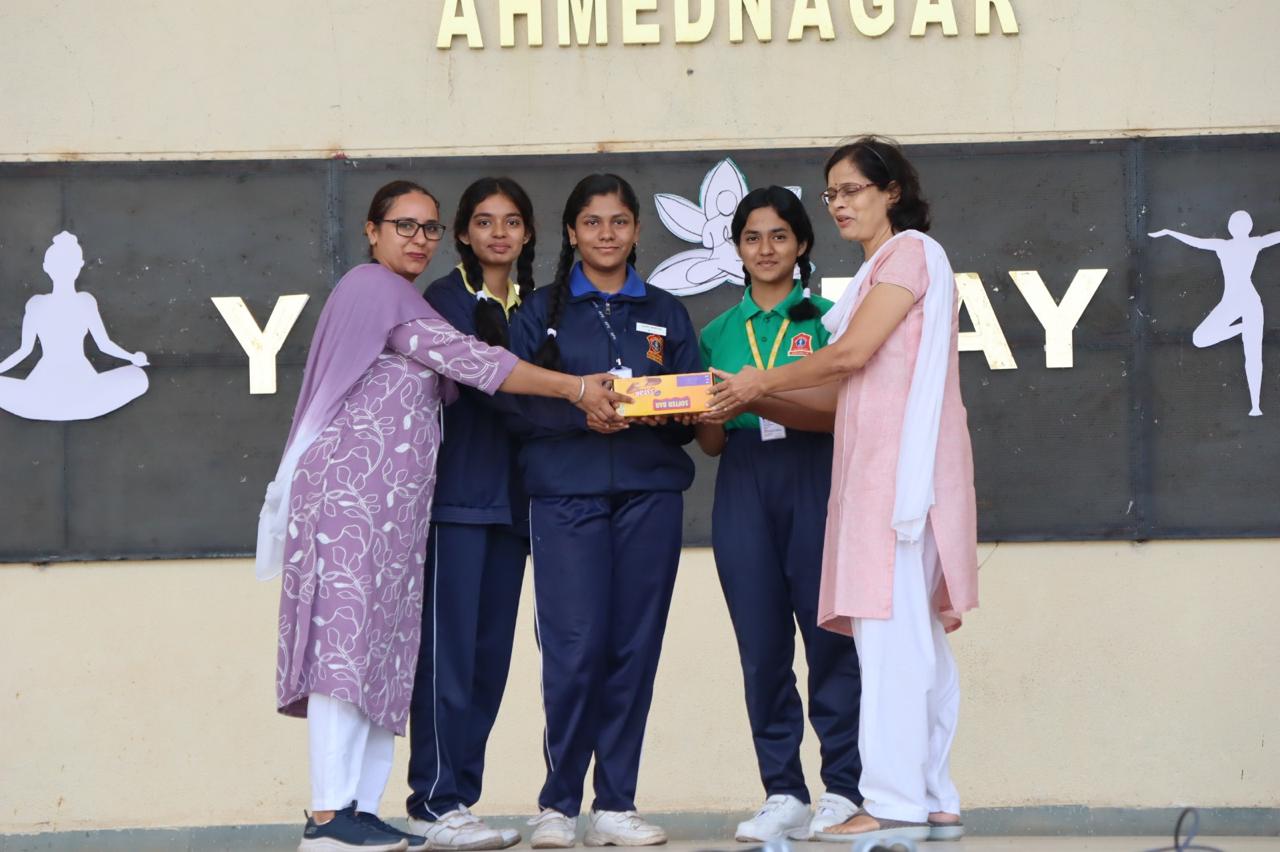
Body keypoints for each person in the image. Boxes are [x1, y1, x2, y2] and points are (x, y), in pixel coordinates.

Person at [257, 179, 629, 852]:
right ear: (372, 231)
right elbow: (471, 361)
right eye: (404, 225)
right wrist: (576, 388)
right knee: (345, 652)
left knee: (384, 654)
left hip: (394, 512)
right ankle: (328, 815)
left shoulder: (403, 296)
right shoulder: (374, 288)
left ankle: (357, 810)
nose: (418, 239)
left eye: (427, 228)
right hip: (347, 501)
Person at [706, 137, 978, 845]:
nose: (840, 204)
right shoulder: (873, 272)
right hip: (872, 476)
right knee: (909, 639)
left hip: (896, 478)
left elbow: (851, 356)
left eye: (853, 189)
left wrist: (759, 382)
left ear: (892, 191)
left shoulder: (909, 253)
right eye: (832, 193)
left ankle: (891, 801)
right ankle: (933, 796)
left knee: (888, 642)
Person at [507, 173, 701, 849]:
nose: (607, 234)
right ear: (571, 232)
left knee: (632, 648)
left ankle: (615, 803)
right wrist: (579, 412)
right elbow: (510, 402)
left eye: (619, 221)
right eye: (592, 222)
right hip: (565, 497)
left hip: (650, 496)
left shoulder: (667, 311)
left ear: (637, 229)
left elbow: (691, 414)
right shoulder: (540, 311)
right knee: (574, 648)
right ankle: (558, 803)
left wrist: (668, 408)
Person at [693, 187, 862, 843]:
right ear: (737, 249)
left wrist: (756, 395)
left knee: (830, 640)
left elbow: (839, 411)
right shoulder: (716, 333)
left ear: (802, 245)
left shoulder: (828, 321)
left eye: (779, 236)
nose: (765, 249)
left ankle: (844, 788)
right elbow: (711, 442)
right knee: (761, 647)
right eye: (752, 237)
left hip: (813, 474)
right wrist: (702, 411)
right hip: (743, 481)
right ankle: (783, 792)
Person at [405, 177, 538, 849]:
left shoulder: (539, 304)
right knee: (447, 660)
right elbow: (492, 382)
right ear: (462, 233)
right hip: (456, 501)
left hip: (515, 507)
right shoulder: (444, 300)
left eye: (511, 221)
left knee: (488, 664)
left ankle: (461, 801)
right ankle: (432, 801)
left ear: (528, 233)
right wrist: (574, 397)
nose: (499, 233)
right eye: (484, 221)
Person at [0, 231, 149, 421]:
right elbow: (104, 345)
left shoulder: (46, 303)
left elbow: (24, 351)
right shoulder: (78, 302)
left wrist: (131, 357)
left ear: (46, 267)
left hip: (58, 386)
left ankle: (58, 406)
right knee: (137, 376)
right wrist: (132, 358)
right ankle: (68, 405)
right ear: (79, 266)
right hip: (66, 386)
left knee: (137, 376)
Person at [1150, 212, 1280, 416]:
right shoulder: (1239, 244)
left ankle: (1255, 406)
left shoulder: (1235, 244)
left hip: (1246, 300)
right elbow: (1196, 242)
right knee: (1202, 338)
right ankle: (1244, 328)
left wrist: (1169, 232)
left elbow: (1196, 242)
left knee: (1253, 354)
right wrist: (1169, 232)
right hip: (1234, 301)